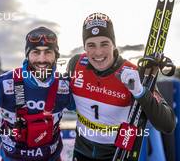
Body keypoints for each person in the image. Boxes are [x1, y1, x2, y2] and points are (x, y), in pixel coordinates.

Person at [67, 12, 176, 161]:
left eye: (104, 44)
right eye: (91, 45)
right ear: (84, 47)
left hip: (118, 154)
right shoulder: (75, 64)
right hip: (81, 152)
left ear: (113, 44)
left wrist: (140, 92)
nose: (98, 52)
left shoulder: (133, 73)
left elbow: (168, 124)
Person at [0, 26, 75, 161]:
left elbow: (90, 109)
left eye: (48, 52)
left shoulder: (64, 85)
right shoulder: (5, 83)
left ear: (56, 56)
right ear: (27, 55)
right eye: (36, 52)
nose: (42, 59)